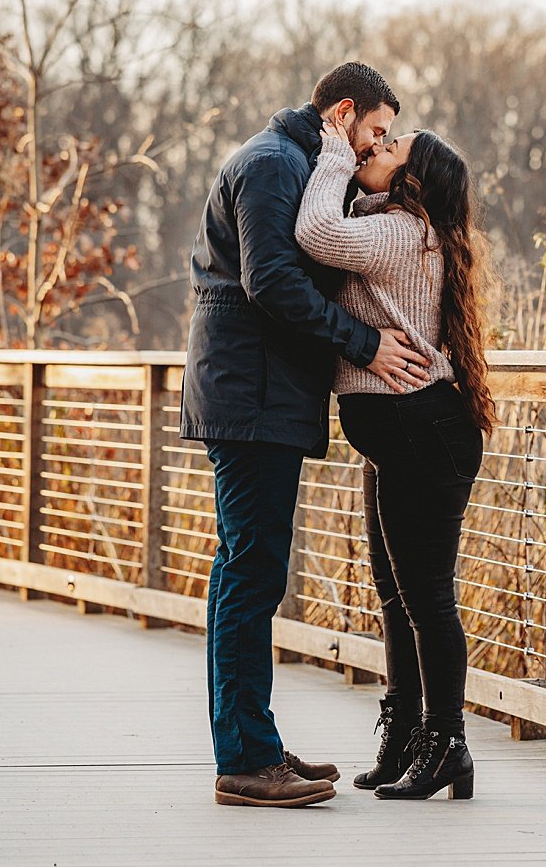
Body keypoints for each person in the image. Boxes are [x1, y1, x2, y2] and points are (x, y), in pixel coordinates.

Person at [180, 61, 431, 809]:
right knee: (251, 572)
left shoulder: (293, 162)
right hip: (251, 398)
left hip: (260, 394)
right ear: (344, 111)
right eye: (376, 132)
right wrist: (364, 344)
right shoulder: (270, 163)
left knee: (247, 570)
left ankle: (251, 742)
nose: (374, 146)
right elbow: (272, 282)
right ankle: (248, 758)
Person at [295, 116, 495, 801]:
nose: (374, 148)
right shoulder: (396, 226)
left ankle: (447, 744)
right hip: (404, 434)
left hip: (421, 431)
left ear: (409, 182)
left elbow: (315, 233)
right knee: (397, 592)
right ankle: (410, 731)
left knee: (428, 598)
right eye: (379, 139)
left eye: (390, 148)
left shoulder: (397, 231)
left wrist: (329, 152)